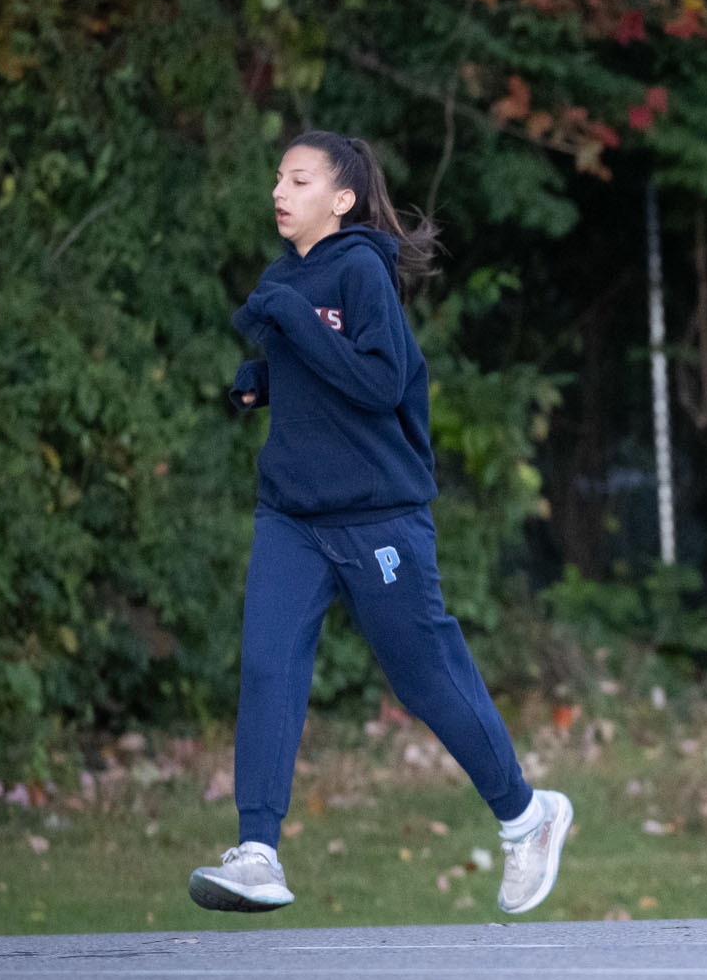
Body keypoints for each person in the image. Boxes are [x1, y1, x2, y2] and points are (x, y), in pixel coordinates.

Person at [189, 131, 572, 916]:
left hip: (378, 517)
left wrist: (294, 321)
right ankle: (257, 852)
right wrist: (261, 378)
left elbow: (378, 382)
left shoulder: (361, 268)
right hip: (292, 515)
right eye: (278, 177)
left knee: (424, 678)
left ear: (342, 199)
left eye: (299, 180)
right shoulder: (283, 278)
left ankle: (527, 817)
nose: (279, 191)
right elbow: (312, 367)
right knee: (268, 668)